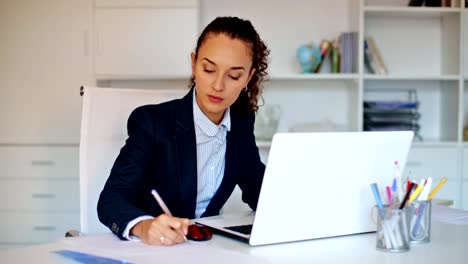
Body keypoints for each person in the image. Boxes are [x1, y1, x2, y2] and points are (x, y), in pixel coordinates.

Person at [97, 16, 270, 246]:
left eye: (233, 75)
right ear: (194, 64)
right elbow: (111, 199)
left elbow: (258, 188)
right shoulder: (152, 123)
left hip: (206, 252)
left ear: (248, 77)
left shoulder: (241, 124)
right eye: (209, 69)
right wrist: (144, 226)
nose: (218, 85)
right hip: (153, 252)